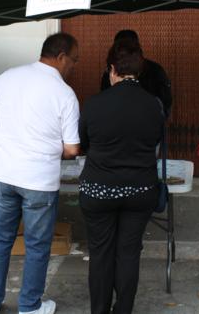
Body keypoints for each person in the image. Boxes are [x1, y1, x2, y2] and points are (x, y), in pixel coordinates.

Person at [0, 33, 81, 314]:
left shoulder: (11, 75)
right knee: (37, 245)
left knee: (1, 240)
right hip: (38, 181)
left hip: (4, 174)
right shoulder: (65, 94)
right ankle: (30, 307)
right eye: (74, 60)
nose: (74, 66)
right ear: (61, 57)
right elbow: (72, 149)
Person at [79, 38, 164, 314]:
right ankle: (124, 309)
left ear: (112, 70)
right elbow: (156, 141)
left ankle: (99, 310)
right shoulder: (154, 105)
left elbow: (84, 144)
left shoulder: (94, 104)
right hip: (140, 190)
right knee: (129, 252)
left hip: (99, 189)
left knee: (100, 253)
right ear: (139, 70)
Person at [100, 29, 172, 117]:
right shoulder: (109, 72)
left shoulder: (155, 71)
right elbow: (104, 100)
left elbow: (165, 103)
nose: (125, 58)